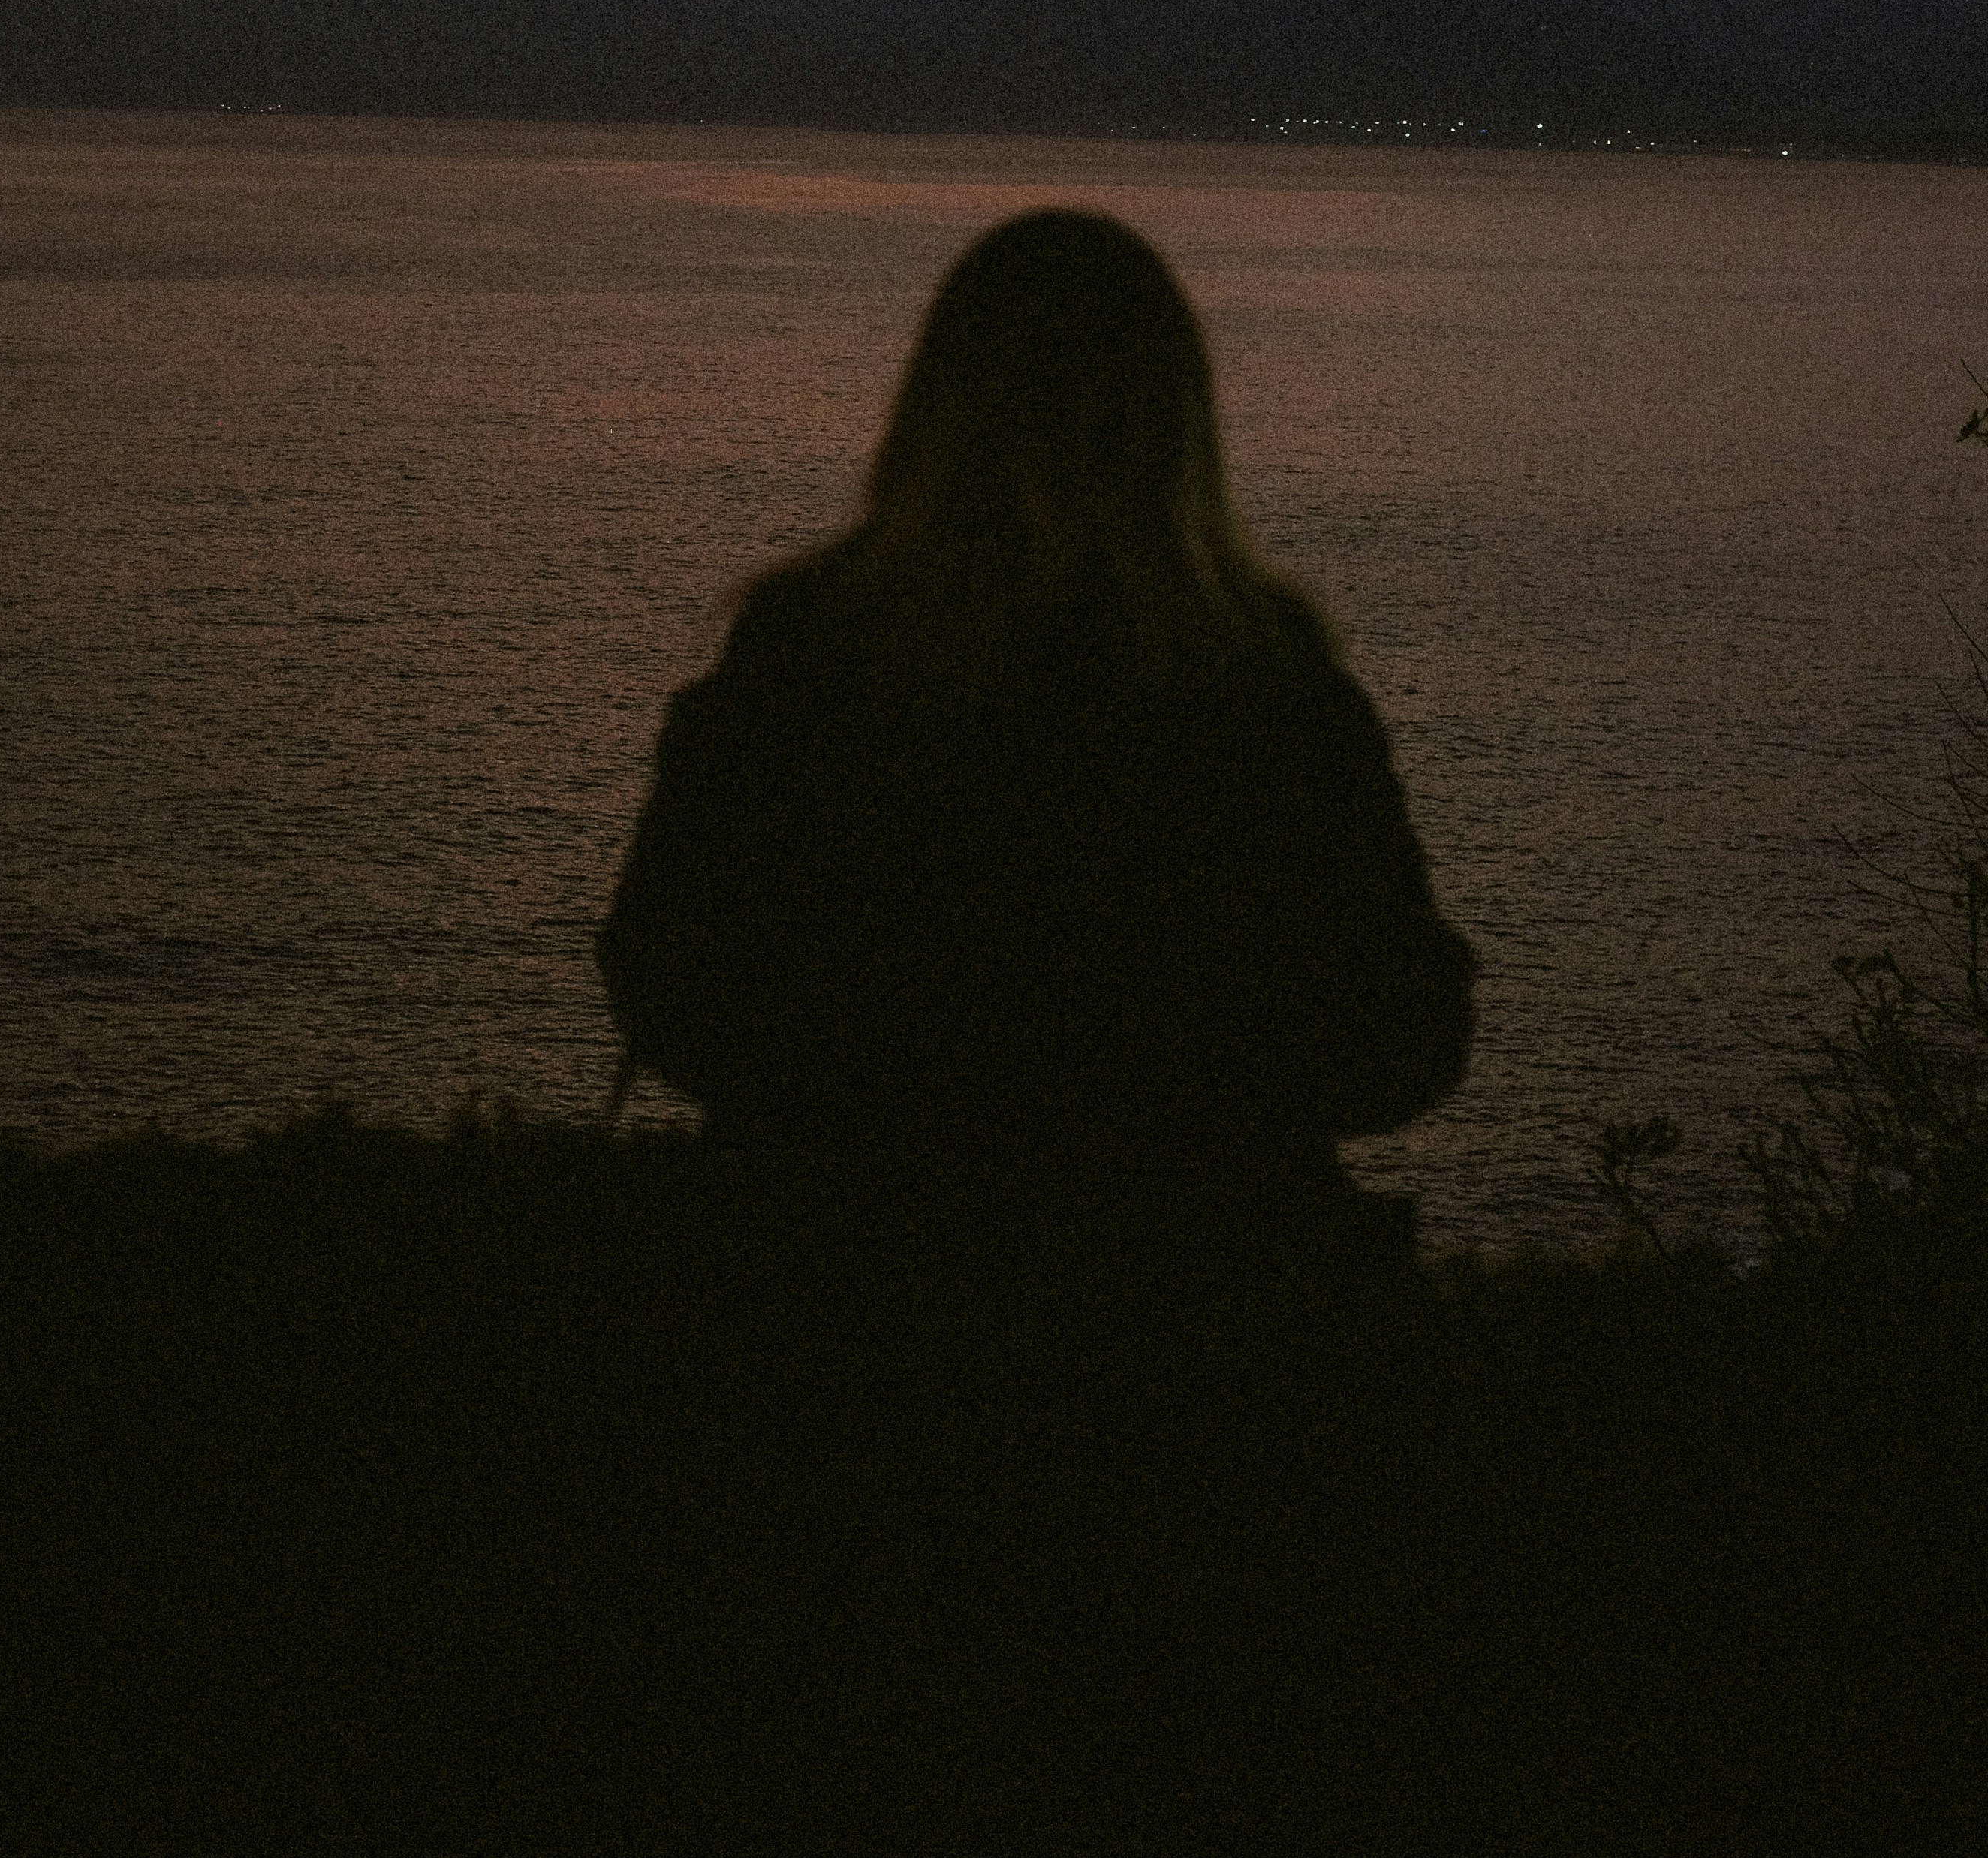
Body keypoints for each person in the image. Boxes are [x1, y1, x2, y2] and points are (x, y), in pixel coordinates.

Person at [598, 209, 1474, 1275]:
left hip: (829, 1284)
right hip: (1213, 1305)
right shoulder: (1266, 680)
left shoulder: (809, 646)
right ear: (1177, 415)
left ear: (937, 403)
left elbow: (672, 972)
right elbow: (1402, 1038)